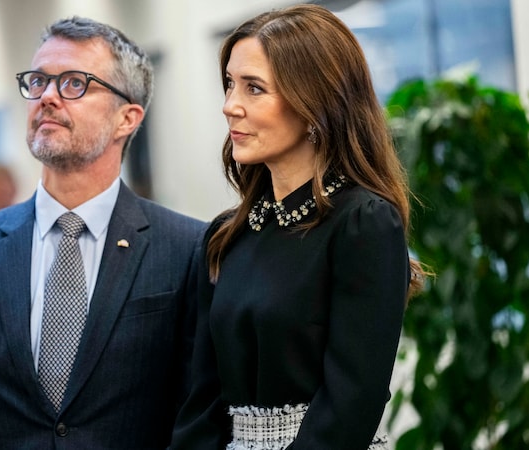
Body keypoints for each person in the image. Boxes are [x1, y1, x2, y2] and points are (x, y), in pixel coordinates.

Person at [0, 16, 205, 449]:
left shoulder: (187, 248)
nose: (47, 97)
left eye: (74, 83)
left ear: (127, 119)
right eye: (39, 81)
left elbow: (202, 413)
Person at [171, 4, 428, 449]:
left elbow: (351, 402)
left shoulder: (363, 223)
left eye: (254, 89)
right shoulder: (225, 235)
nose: (230, 106)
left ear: (314, 104)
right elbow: (203, 401)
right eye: (230, 84)